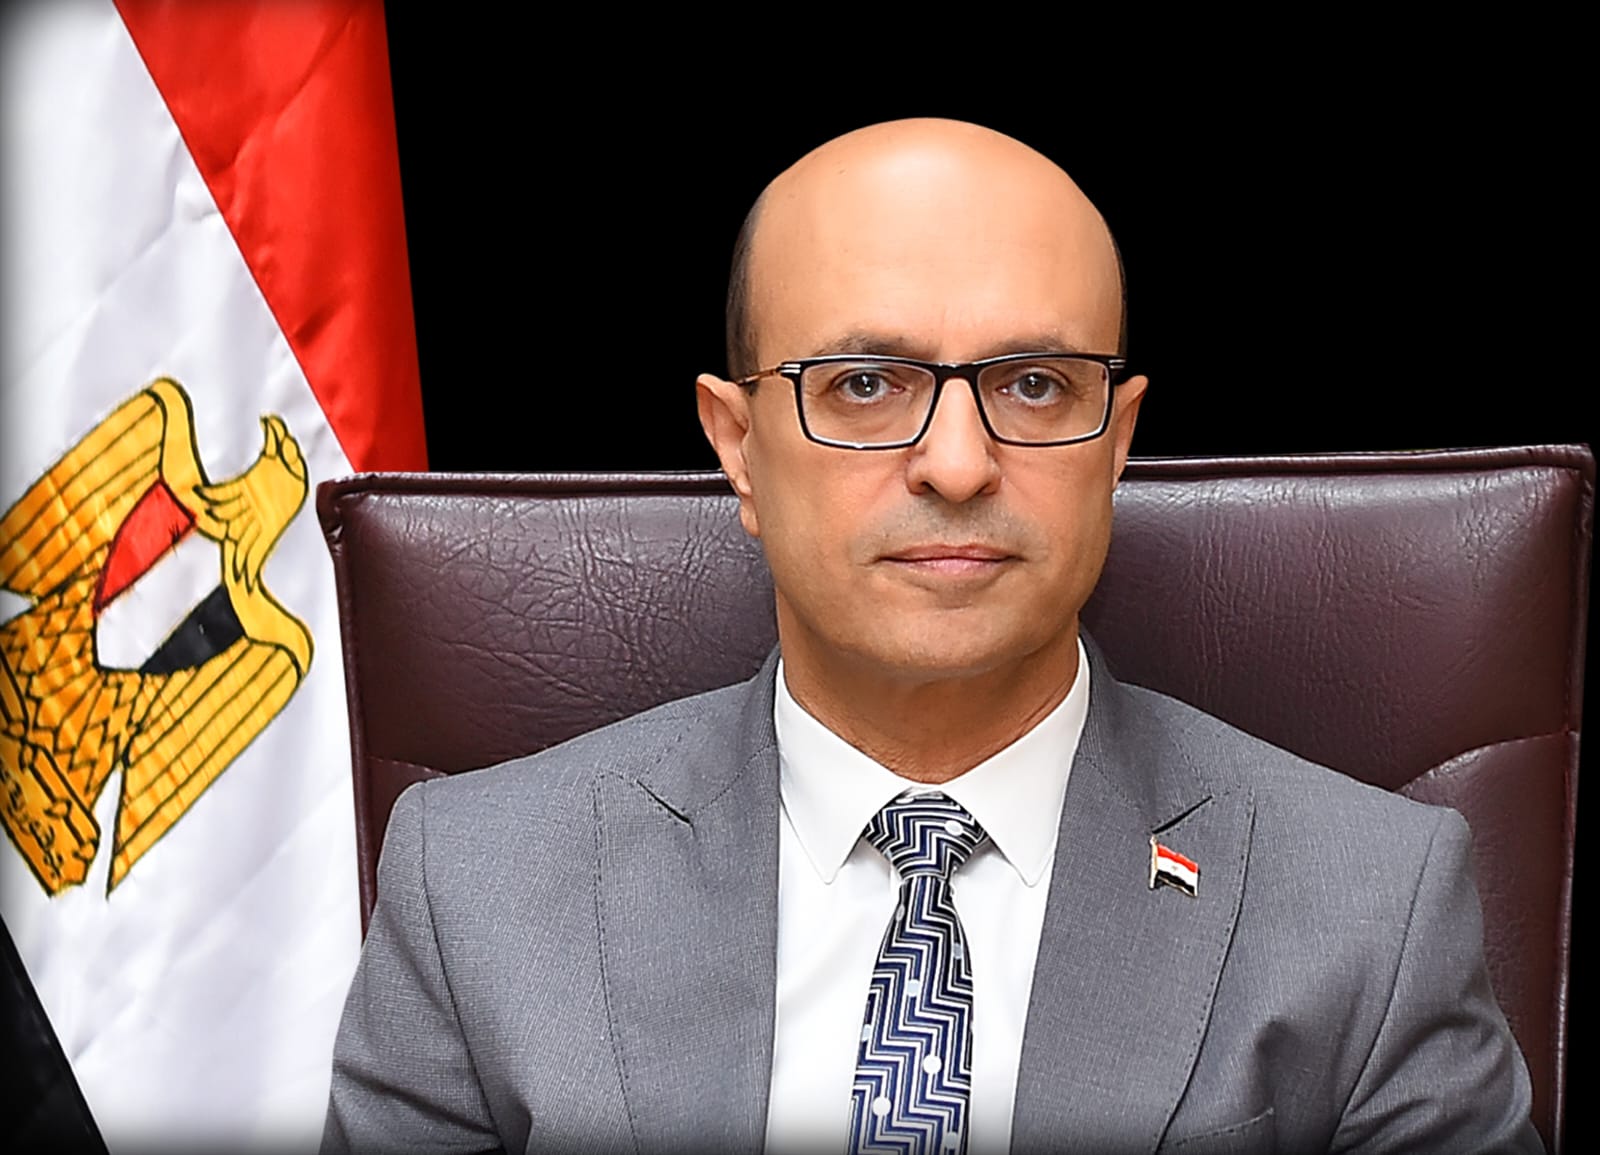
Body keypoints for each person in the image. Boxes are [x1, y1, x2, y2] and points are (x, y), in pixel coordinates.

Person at [322, 119, 1541, 1153]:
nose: (957, 465)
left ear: (1116, 442)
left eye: (1034, 385)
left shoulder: (1373, 911)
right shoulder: (476, 890)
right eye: (864, 384)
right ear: (737, 446)